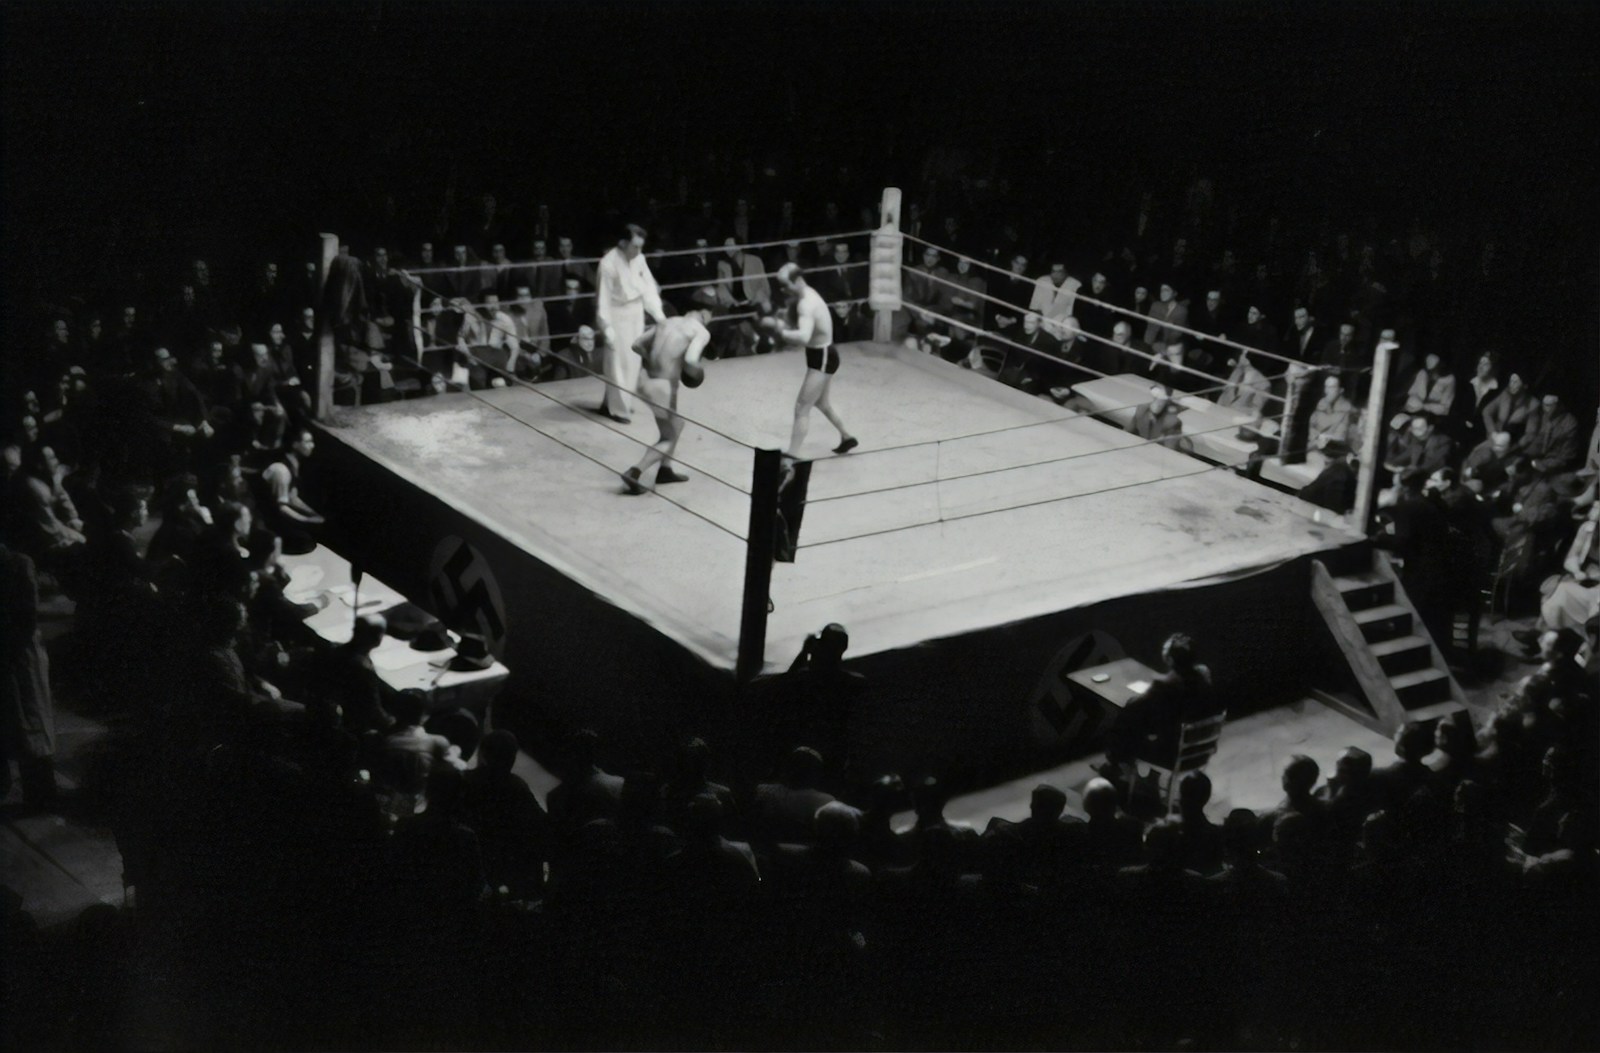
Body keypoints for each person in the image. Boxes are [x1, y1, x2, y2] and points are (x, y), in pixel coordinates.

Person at [761, 263, 858, 461]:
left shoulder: (807, 303)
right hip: (821, 354)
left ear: (797, 281)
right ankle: (847, 437)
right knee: (822, 403)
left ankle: (793, 455)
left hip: (822, 356)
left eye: (785, 285)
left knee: (801, 407)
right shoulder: (806, 295)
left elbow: (804, 337)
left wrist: (780, 331)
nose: (783, 289)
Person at [619, 305, 713, 494]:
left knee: (677, 424)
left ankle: (665, 469)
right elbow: (690, 360)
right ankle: (635, 471)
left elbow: (636, 345)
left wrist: (656, 362)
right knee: (668, 437)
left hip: (645, 380)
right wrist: (696, 374)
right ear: (704, 315)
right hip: (662, 387)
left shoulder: (666, 322)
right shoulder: (700, 331)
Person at [595, 223, 667, 423]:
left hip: (636, 313)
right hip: (617, 315)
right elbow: (603, 299)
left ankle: (612, 403)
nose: (638, 251)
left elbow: (649, 289)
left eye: (641, 247)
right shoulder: (608, 264)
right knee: (619, 362)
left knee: (633, 360)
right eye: (635, 246)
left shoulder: (640, 259)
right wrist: (606, 328)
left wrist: (659, 316)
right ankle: (619, 410)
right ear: (623, 243)